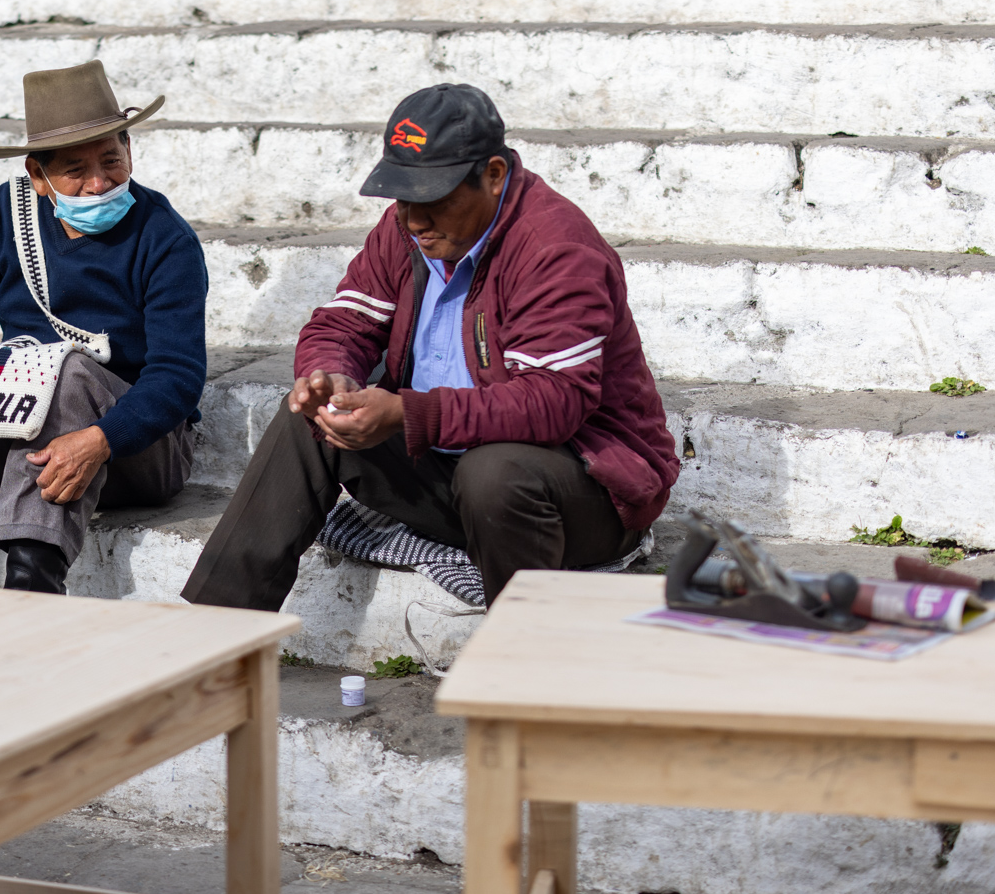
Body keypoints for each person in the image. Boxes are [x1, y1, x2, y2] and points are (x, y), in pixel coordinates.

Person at [183, 83, 679, 611]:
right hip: (451, 480)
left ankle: (523, 645)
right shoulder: (408, 230)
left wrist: (407, 413)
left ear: (494, 175)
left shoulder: (555, 249)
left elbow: (553, 402)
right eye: (404, 199)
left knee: (495, 472)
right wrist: (331, 378)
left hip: (584, 497)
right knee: (306, 420)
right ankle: (218, 626)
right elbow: (344, 323)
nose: (415, 220)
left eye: (435, 200)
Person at [0, 61, 208, 595]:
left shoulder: (165, 238)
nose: (98, 183)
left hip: (131, 449)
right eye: (75, 170)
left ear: (129, 149)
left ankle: (32, 590)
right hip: (22, 434)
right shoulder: (2, 215)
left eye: (111, 160)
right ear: (38, 175)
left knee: (68, 372)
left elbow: (177, 377)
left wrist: (100, 439)